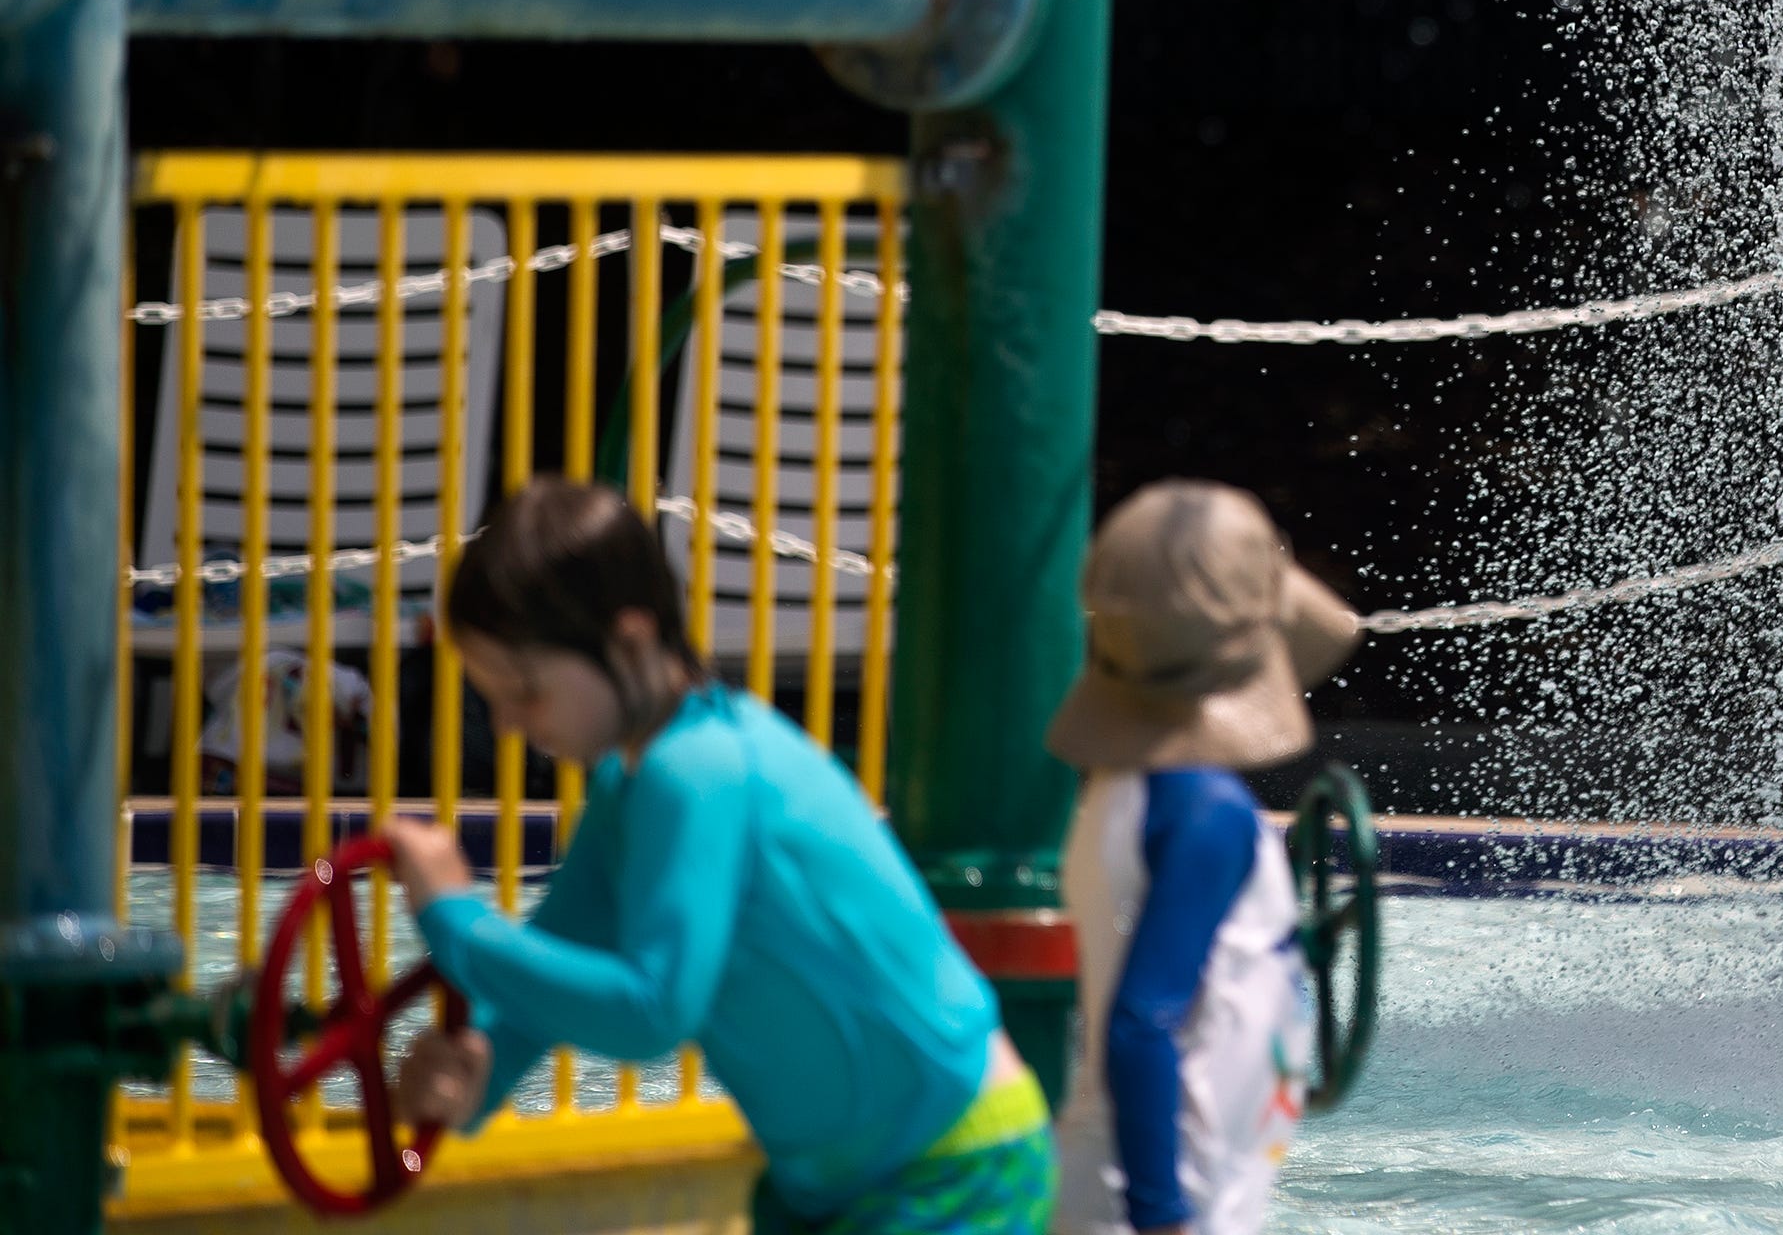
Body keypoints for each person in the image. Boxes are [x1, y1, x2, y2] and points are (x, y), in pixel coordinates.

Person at [384, 478, 1054, 1235]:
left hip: (953, 1169)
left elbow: (652, 1010)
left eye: (525, 691)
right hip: (843, 1187)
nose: (507, 724)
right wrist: (485, 1068)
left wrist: (457, 919)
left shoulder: (699, 770)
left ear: (630, 639)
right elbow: (556, 958)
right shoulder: (630, 782)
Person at [1045, 480, 1363, 1235]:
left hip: (1123, 1172)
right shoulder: (1206, 813)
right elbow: (1141, 1022)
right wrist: (1164, 1216)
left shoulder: (1127, 787)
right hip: (1170, 1186)